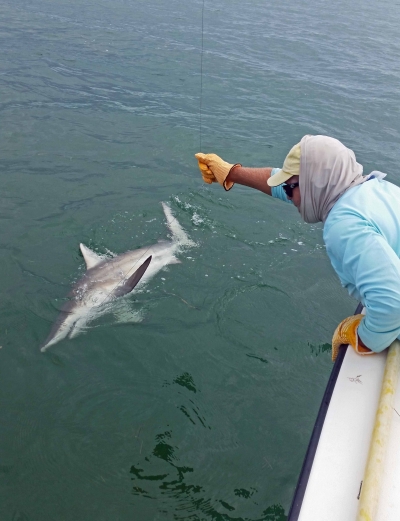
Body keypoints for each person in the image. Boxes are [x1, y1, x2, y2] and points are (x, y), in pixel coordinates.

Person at [195, 135, 400, 361]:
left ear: (315, 183)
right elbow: (290, 185)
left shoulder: (344, 225)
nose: (289, 196)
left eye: (290, 188)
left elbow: (393, 305)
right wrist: (230, 172)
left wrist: (363, 338)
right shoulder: (378, 189)